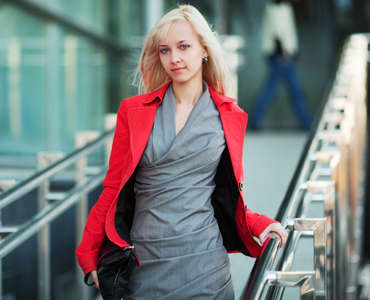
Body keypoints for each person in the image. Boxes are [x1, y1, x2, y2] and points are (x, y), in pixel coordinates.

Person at [76, 5, 288, 299]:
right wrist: (88, 255)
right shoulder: (133, 112)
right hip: (144, 263)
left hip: (205, 264)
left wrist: (258, 224)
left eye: (183, 46)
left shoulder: (229, 115)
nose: (174, 58)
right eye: (165, 50)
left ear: (204, 49)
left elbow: (224, 193)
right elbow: (113, 188)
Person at [249, 0, 311, 131]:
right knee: (292, 92)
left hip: (284, 55)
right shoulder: (275, 8)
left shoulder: (284, 7)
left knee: (275, 90)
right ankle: (307, 124)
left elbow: (288, 32)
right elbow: (278, 33)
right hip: (282, 56)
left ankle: (254, 121)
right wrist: (284, 53)